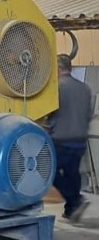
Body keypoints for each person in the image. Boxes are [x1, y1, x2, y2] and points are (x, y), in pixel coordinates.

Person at [48, 54, 93, 222]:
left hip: (61, 140)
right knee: (72, 174)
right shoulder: (85, 88)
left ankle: (75, 200)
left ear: (58, 69)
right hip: (80, 140)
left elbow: (51, 116)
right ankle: (71, 210)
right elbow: (87, 114)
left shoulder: (57, 88)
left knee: (49, 172)